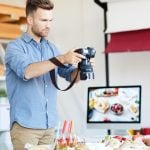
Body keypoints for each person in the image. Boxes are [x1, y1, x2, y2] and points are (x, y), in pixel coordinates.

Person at [5, 0, 85, 149]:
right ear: (30, 20)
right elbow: (28, 72)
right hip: (25, 128)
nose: (48, 25)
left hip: (49, 128)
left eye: (50, 20)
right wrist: (61, 58)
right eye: (43, 20)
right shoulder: (15, 47)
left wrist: (81, 69)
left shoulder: (51, 48)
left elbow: (69, 76)